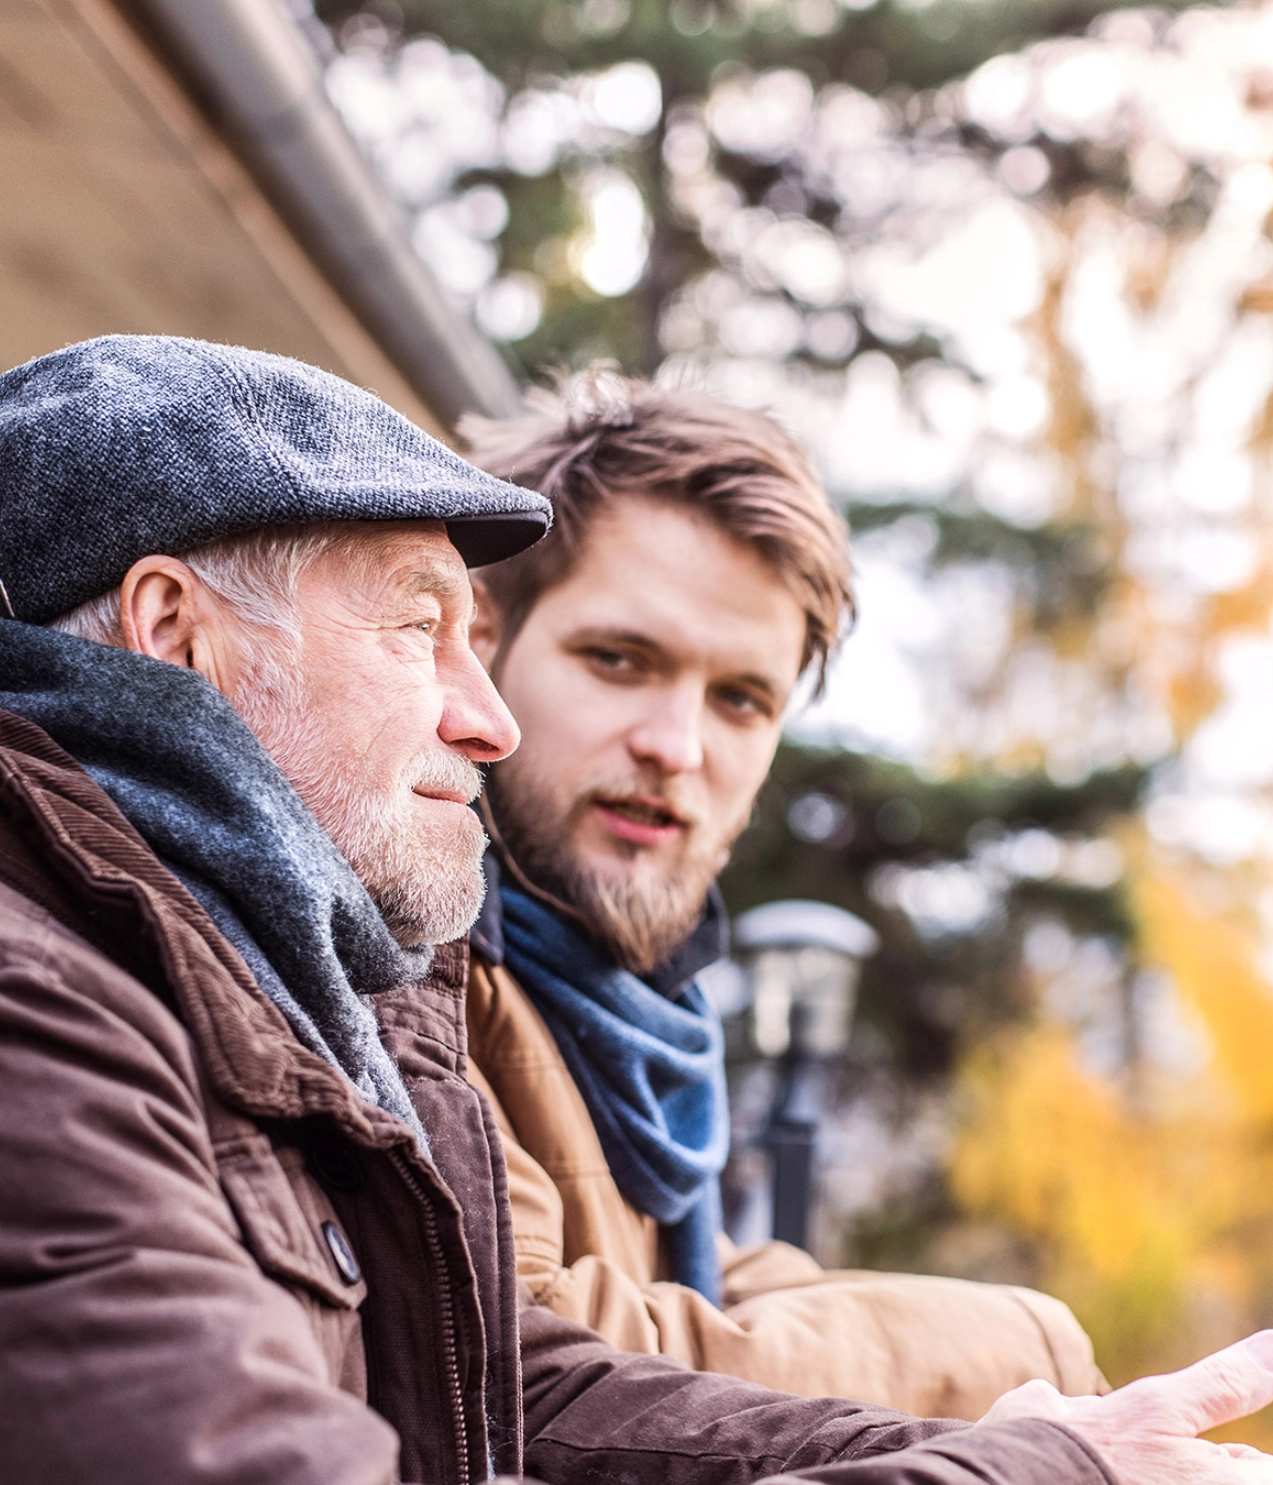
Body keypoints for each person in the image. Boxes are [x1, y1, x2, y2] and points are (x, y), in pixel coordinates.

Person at [0, 335, 1273, 1485]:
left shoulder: (278, 990)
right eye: (418, 631)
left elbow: (503, 1390)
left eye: (481, 637)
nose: (492, 715)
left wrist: (1042, 1442)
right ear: (174, 634)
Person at [459, 371, 1104, 1419]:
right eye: (619, 660)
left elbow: (695, 1286)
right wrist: (1036, 1348)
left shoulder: (634, 1011)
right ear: (480, 636)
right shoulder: (411, 945)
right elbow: (524, 1344)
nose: (676, 748)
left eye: (741, 699)